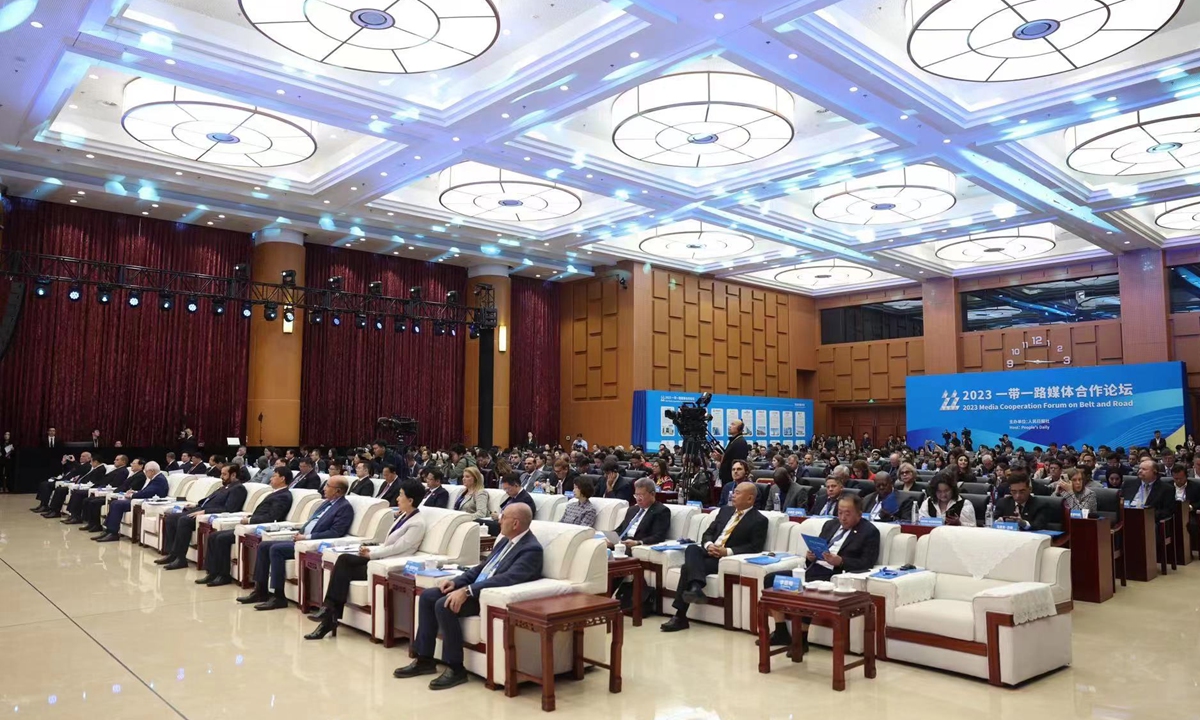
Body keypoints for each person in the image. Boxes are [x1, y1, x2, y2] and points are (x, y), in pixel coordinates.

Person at [395, 503, 542, 690]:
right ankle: (424, 659)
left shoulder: (531, 550)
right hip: (476, 588)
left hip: (488, 597)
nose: (499, 519)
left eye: (503, 517)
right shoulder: (506, 540)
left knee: (443, 604)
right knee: (428, 596)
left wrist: (467, 591)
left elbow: (507, 578)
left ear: (515, 523)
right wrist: (457, 582)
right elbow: (482, 569)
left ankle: (455, 668)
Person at [306, 480, 429, 640]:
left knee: (344, 569)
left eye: (400, 495)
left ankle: (329, 616)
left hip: (388, 563)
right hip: (380, 557)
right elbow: (387, 544)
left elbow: (399, 548)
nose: (397, 499)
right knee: (344, 560)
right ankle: (329, 613)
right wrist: (370, 550)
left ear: (411, 500)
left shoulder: (417, 523)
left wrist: (372, 555)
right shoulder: (403, 516)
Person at [768, 495, 881, 648]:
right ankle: (781, 631)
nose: (842, 517)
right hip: (814, 569)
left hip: (834, 575)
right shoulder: (830, 525)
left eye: (847, 513)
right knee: (771, 579)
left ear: (859, 514)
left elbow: (867, 562)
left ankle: (802, 639)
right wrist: (811, 556)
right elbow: (818, 548)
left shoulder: (869, 531)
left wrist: (841, 561)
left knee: (808, 588)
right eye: (840, 512)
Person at [661, 482, 767, 632]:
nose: (733, 495)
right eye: (734, 492)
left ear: (750, 499)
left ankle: (681, 614)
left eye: (737, 493)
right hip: (709, 551)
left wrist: (727, 551)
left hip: (724, 560)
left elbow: (754, 547)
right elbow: (707, 533)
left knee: (686, 569)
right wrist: (709, 545)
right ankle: (695, 588)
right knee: (692, 548)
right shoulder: (724, 511)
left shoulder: (759, 520)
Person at [237, 477, 354, 610]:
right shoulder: (326, 503)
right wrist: (299, 533)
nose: (324, 488)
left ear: (338, 491)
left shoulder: (344, 508)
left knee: (276, 549)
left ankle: (279, 597)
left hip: (312, 543)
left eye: (328, 486)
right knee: (264, 546)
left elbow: (335, 532)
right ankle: (260, 591)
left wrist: (307, 537)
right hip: (301, 538)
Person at [194, 470, 293, 587]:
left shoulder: (283, 496)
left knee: (221, 539)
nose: (271, 479)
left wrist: (250, 520)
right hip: (251, 523)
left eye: (274, 476)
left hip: (259, 527)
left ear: (282, 479)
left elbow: (272, 517)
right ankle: (212, 572)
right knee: (213, 536)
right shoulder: (275, 493)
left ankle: (223, 575)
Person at [158, 464, 248, 570]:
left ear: (233, 475)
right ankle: (172, 554)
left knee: (184, 520)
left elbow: (229, 509)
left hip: (209, 514)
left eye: (224, 474)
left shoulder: (238, 489)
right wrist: (197, 506)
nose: (221, 476)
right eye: (221, 474)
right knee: (171, 518)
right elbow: (209, 499)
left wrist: (205, 511)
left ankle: (181, 559)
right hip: (200, 509)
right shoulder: (224, 486)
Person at [94, 461, 170, 542]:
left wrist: (132, 495)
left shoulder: (159, 479)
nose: (145, 474)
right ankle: (108, 530)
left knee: (117, 504)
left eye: (146, 472)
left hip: (145, 502)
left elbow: (149, 493)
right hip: (142, 499)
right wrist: (136, 492)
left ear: (152, 471)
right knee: (114, 503)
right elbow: (146, 491)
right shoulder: (156, 478)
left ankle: (113, 533)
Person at [62, 455, 130, 523]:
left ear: (123, 462)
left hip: (105, 489)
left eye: (117, 460)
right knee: (76, 492)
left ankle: (77, 517)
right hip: (98, 487)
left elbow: (115, 484)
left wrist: (99, 488)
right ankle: (74, 515)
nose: (114, 461)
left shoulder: (123, 471)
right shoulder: (115, 469)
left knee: (79, 494)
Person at [43, 454, 108, 518]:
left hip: (88, 486)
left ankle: (73, 515)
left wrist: (82, 485)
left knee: (71, 491)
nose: (91, 463)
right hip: (79, 484)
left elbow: (94, 481)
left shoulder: (96, 468)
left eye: (91, 461)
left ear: (95, 461)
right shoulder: (94, 468)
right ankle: (54, 510)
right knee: (60, 488)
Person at [612, 478, 670, 548]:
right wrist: (610, 538)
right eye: (636, 495)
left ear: (652, 494)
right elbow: (620, 529)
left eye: (641, 495)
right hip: (621, 543)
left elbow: (659, 536)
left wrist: (638, 542)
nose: (638, 499)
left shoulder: (661, 511)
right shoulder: (632, 509)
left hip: (633, 543)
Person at [713, 419, 749, 497]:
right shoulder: (734, 440)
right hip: (726, 478)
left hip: (731, 479)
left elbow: (738, 463)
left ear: (739, 429)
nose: (730, 426)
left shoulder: (740, 442)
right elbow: (730, 459)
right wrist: (720, 458)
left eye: (733, 424)